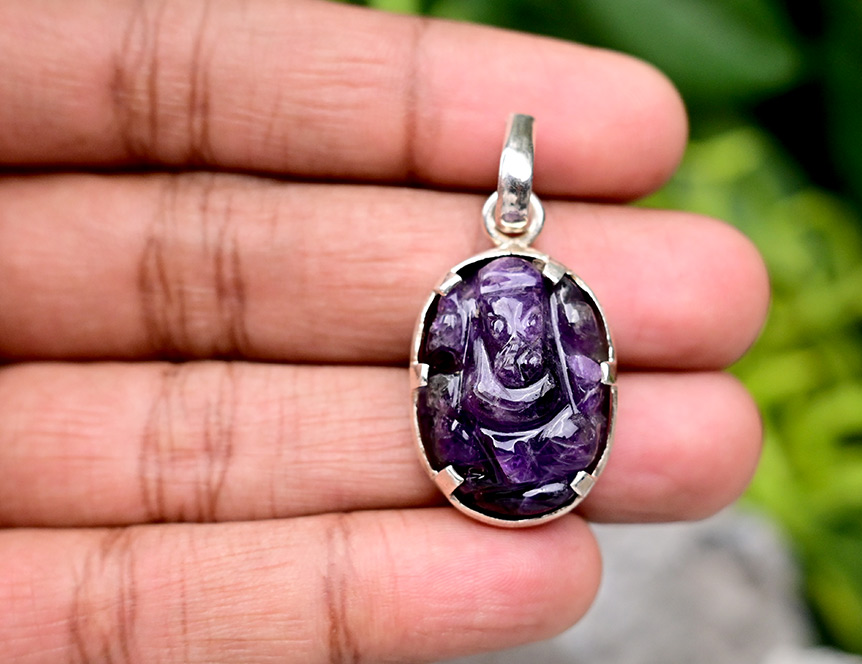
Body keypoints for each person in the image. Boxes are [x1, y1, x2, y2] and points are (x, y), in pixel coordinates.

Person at [0, 1, 769, 661]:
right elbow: (448, 398)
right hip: (482, 460)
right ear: (479, 319)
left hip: (538, 462)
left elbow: (574, 419)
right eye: (500, 318)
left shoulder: (565, 357)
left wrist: (543, 429)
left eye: (527, 318)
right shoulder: (461, 352)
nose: (515, 332)